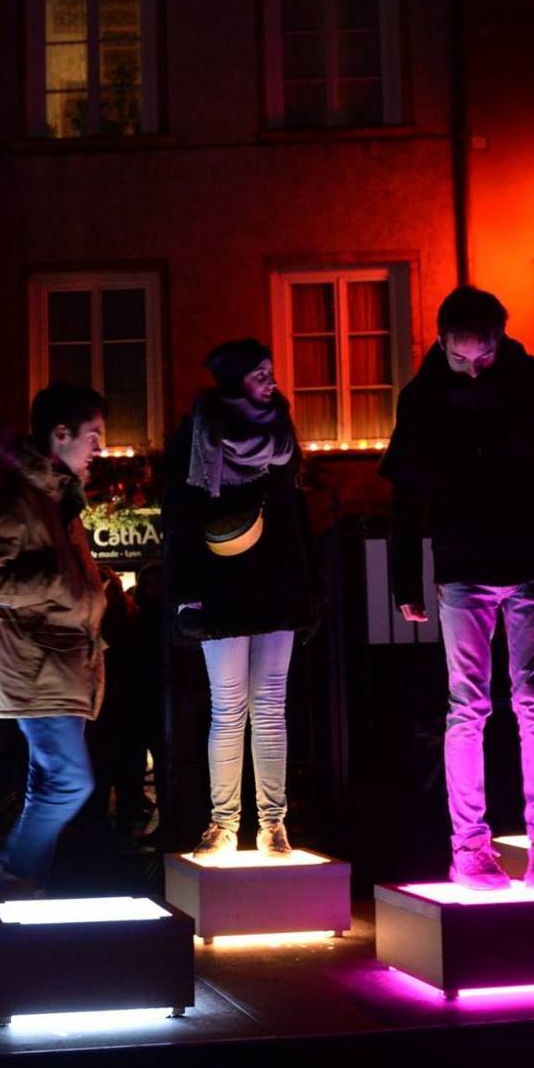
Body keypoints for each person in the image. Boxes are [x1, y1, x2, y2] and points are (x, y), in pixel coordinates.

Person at [380, 286, 534, 889]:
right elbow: (406, 496)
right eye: (463, 360)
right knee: (475, 706)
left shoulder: (527, 381)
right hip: (467, 561)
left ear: (499, 342)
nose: (475, 371)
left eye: (484, 359)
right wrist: (405, 575)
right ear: (442, 342)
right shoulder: (425, 397)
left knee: (527, 702)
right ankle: (472, 845)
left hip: (525, 554)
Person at [162, 339, 322, 859]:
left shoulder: (281, 430)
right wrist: (187, 593)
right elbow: (181, 517)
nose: (270, 381)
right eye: (259, 373)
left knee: (270, 705)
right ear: (234, 382)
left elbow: (295, 513)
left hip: (276, 579)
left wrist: (306, 584)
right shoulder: (198, 433)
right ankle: (223, 824)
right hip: (219, 586)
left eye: (270, 371)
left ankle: (274, 825)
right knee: (229, 708)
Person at [0, 383, 109, 892]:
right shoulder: (22, 498)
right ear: (61, 434)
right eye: (93, 436)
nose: (100, 449)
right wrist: (56, 583)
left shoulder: (55, 499)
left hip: (63, 665)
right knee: (70, 781)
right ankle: (12, 876)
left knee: (49, 783)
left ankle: (26, 888)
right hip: (39, 666)